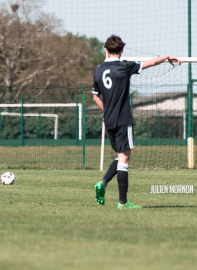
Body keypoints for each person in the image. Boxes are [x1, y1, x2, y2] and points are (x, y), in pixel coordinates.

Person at [93, 35, 181, 209]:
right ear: (122, 50)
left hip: (109, 120)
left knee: (120, 156)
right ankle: (122, 202)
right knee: (124, 160)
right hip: (123, 119)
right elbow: (151, 63)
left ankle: (103, 182)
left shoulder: (98, 69)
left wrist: (107, 111)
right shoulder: (124, 66)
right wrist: (166, 57)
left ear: (106, 50)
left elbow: (95, 97)